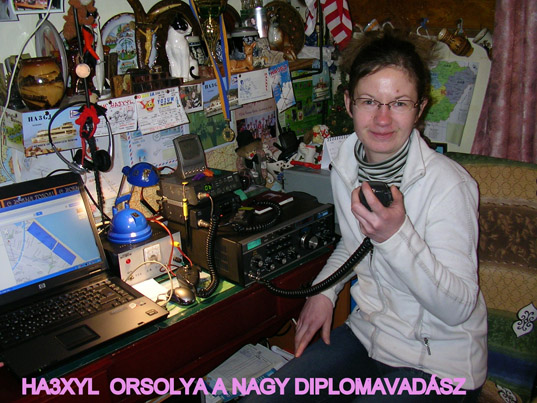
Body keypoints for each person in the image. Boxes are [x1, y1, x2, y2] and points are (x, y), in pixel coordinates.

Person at [241, 32, 487, 402]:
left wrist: (396, 236)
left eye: (399, 103)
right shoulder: (345, 164)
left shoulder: (449, 185)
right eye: (369, 101)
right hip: (371, 336)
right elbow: (355, 244)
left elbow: (458, 309)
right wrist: (324, 292)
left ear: (420, 108)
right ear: (348, 103)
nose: (382, 119)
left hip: (439, 365)